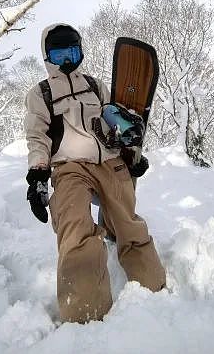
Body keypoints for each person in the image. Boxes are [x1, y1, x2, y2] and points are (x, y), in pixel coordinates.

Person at [24, 23, 166, 323]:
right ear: (48, 55)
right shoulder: (41, 93)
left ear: (80, 52)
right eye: (60, 53)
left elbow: (112, 125)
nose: (66, 60)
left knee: (130, 224)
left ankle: (156, 296)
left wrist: (133, 156)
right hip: (70, 167)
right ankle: (85, 314)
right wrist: (38, 174)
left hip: (109, 163)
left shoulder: (95, 86)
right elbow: (37, 137)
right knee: (75, 226)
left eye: (72, 52)